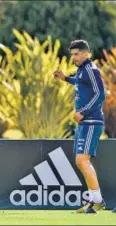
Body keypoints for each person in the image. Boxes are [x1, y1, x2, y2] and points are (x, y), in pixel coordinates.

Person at [53, 40, 106, 214]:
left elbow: (100, 94)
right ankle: (93, 200)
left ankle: (97, 201)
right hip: (85, 122)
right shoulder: (82, 71)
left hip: (91, 121)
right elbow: (80, 82)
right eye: (72, 54)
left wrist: (83, 112)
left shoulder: (91, 70)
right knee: (80, 161)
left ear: (86, 53)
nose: (73, 57)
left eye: (76, 54)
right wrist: (65, 78)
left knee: (83, 161)